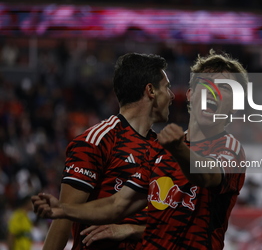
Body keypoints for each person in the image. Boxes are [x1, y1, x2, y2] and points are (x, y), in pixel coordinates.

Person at [32, 49, 248, 250]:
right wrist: (63, 210)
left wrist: (178, 149)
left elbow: (206, 175)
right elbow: (119, 204)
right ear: (190, 94)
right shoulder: (155, 150)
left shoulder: (229, 150)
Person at [41, 52, 174, 250]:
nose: (172, 96)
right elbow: (63, 220)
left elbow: (170, 227)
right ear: (150, 91)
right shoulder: (97, 141)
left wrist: (130, 229)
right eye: (167, 87)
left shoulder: (164, 151)